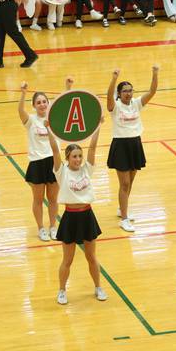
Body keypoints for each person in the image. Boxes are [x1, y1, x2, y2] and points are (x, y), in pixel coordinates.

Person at [45, 114, 106, 305]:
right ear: (67, 158)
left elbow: (93, 148)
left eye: (80, 156)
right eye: (74, 157)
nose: (78, 159)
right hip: (70, 217)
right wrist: (48, 129)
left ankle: (98, 287)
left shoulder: (87, 169)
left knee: (91, 256)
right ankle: (62, 291)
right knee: (67, 260)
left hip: (87, 215)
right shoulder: (61, 171)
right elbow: (55, 150)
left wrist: (98, 126)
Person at [106, 66, 159, 233]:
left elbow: (152, 91)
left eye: (130, 90)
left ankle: (123, 209)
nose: (128, 93)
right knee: (125, 183)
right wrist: (114, 78)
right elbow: (108, 97)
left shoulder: (136, 104)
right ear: (119, 94)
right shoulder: (115, 107)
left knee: (131, 181)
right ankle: (124, 219)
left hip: (135, 144)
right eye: (124, 91)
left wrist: (155, 74)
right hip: (121, 146)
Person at [19, 80, 73, 241]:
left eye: (44, 102)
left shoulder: (56, 118)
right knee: (37, 198)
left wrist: (68, 87)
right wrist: (23, 93)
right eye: (38, 102)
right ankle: (41, 228)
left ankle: (53, 227)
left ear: (48, 104)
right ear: (34, 106)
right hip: (37, 162)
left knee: (53, 199)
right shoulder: (30, 121)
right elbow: (20, 110)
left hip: (54, 162)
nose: (42, 105)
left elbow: (65, 104)